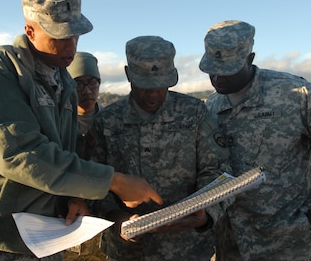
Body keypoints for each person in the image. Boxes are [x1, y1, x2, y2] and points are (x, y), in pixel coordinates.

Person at [0, 0, 162, 261]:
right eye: (59, 36)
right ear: (30, 30)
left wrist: (76, 197)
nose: (70, 46)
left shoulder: (63, 81)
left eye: (75, 36)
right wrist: (113, 181)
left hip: (46, 238)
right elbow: (17, 152)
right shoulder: (0, 67)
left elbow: (67, 149)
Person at [199, 20, 311, 261]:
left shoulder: (295, 95)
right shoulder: (213, 105)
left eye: (227, 68)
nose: (217, 77)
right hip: (231, 242)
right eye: (211, 68)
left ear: (250, 59)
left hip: (285, 242)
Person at [90, 35, 231, 261]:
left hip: (187, 249)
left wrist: (206, 215)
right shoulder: (108, 120)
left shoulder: (194, 113)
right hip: (127, 252)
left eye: (161, 85)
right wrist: (116, 218)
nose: (154, 93)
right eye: (145, 86)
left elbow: (216, 172)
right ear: (128, 74)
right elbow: (94, 179)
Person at [63, 52, 106, 261]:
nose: (87, 91)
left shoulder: (111, 122)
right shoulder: (58, 123)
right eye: (78, 84)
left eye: (93, 83)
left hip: (104, 221)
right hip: (66, 221)